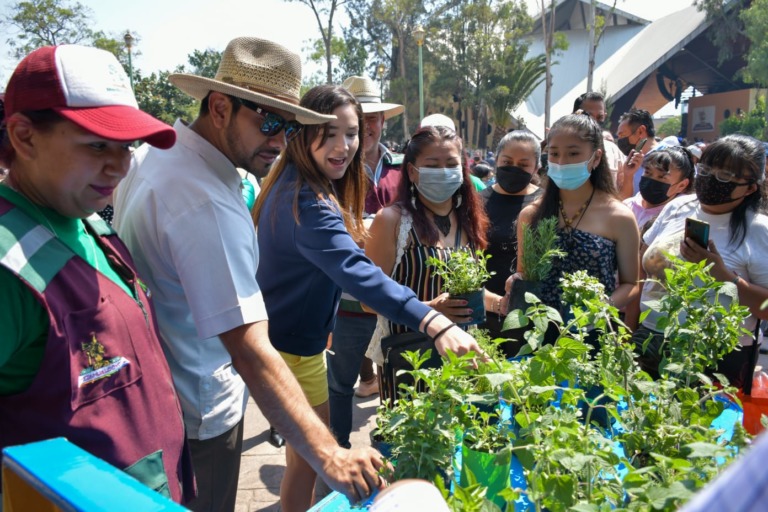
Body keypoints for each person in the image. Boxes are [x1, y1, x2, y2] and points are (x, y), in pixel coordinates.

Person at [114, 37, 385, 512]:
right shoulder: (206, 204)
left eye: (291, 125)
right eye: (270, 122)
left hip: (166, 393)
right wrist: (327, 453)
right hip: (201, 410)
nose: (282, 140)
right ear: (220, 107)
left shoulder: (155, 156)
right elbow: (249, 347)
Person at [252, 85, 483, 512]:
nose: (344, 146)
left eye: (352, 133)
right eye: (329, 133)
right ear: (301, 132)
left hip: (295, 343)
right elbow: (360, 274)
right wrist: (434, 322)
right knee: (314, 453)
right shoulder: (308, 199)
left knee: (305, 457)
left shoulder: (300, 181)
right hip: (290, 351)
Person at [0, 44, 194, 503]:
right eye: (96, 145)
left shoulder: (87, 219)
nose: (121, 166)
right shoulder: (9, 263)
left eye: (126, 146)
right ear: (24, 137)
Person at [631, 135, 768, 385]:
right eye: (705, 169)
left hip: (717, 354)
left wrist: (724, 277)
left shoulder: (759, 230)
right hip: (651, 338)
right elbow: (642, 271)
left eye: (724, 176)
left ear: (750, 188)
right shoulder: (678, 207)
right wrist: (630, 327)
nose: (710, 179)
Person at [364, 125, 492, 375]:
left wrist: (503, 302)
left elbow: (474, 294)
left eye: (451, 164)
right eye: (432, 166)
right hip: (410, 360)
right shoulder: (391, 221)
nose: (443, 172)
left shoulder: (469, 221)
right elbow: (369, 301)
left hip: (463, 355)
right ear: (412, 171)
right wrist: (429, 310)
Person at [325, 76, 405, 452]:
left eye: (374, 117)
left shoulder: (404, 169)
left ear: (383, 121)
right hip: (348, 303)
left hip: (396, 300)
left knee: (396, 381)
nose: (368, 125)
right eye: (360, 117)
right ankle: (337, 454)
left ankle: (395, 457)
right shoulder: (330, 171)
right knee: (339, 383)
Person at [509, 114, 640, 337]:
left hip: (592, 335)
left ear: (596, 158)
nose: (561, 162)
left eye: (573, 153)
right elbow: (524, 274)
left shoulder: (620, 217)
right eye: (554, 153)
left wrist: (599, 308)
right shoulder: (530, 215)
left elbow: (632, 284)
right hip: (537, 334)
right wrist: (515, 281)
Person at [479, 130, 543, 347]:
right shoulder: (478, 202)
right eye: (507, 161)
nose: (514, 168)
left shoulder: (544, 203)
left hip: (531, 318)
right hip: (483, 312)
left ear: (536, 167)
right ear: (496, 161)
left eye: (523, 164)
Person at [573, 92, 624, 188]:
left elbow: (622, 189)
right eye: (589, 116)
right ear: (576, 114)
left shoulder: (613, 151)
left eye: (600, 117)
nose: (594, 121)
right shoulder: (562, 149)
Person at [616, 108, 659, 200]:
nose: (620, 140)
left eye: (622, 135)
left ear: (641, 131)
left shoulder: (670, 158)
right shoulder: (628, 160)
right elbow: (624, 200)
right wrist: (628, 176)